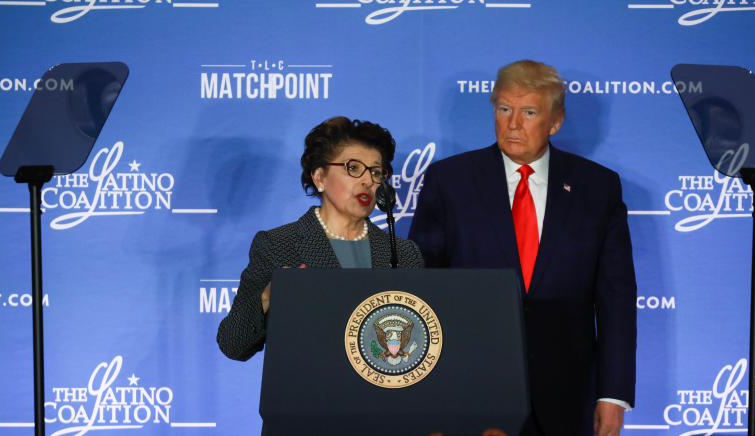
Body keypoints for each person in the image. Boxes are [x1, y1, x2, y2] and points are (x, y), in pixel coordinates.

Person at [408, 60, 636, 436]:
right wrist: (425, 391)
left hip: (569, 393)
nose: (513, 124)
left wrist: (613, 394)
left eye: (529, 112)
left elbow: (617, 296)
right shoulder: (450, 181)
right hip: (469, 391)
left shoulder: (598, 188)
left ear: (555, 121)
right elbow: (422, 287)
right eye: (504, 109)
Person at [218, 116, 423, 362]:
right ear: (319, 178)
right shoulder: (278, 245)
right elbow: (233, 345)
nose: (368, 180)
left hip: (383, 397)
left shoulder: (403, 253)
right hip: (308, 395)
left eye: (377, 172)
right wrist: (267, 298)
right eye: (354, 168)